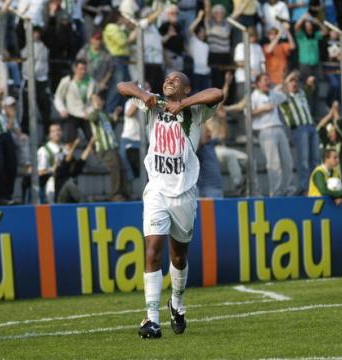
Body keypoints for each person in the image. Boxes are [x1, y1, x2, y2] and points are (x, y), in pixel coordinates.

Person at [118, 72, 223, 339]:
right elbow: (123, 86)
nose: (169, 81)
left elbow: (218, 92)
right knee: (152, 250)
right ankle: (151, 318)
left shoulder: (196, 111)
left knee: (178, 256)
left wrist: (183, 105)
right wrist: (143, 95)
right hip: (156, 191)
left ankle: (176, 302)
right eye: (166, 78)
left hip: (184, 194)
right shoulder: (153, 103)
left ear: (187, 89)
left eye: (176, 80)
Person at [225, 73, 295, 196]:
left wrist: (287, 79)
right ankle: (276, 192)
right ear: (258, 84)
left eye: (268, 79)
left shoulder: (273, 93)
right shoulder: (254, 96)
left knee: (288, 161)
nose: (267, 82)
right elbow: (248, 113)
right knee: (274, 163)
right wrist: (262, 109)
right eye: (264, 80)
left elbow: (285, 94)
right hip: (265, 130)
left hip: (279, 128)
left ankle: (287, 189)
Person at [279, 72, 320, 195]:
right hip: (299, 128)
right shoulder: (283, 97)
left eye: (295, 81)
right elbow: (280, 88)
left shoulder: (302, 93)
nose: (294, 83)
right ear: (286, 84)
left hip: (311, 126)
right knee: (303, 160)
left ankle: (317, 185)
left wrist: (310, 80)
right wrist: (288, 77)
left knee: (316, 159)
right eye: (291, 81)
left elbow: (310, 86)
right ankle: (304, 187)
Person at [89, 94, 128, 201]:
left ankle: (123, 192)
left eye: (99, 99)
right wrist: (96, 108)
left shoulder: (104, 114)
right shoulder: (93, 114)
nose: (98, 101)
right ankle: (115, 194)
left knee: (122, 168)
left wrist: (115, 115)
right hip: (104, 148)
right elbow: (93, 119)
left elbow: (109, 128)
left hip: (112, 147)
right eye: (95, 100)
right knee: (115, 167)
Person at [54, 60, 96, 143]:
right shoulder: (67, 81)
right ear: (75, 69)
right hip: (72, 113)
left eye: (84, 69)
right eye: (80, 69)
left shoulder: (91, 82)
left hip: (86, 114)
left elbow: (93, 99)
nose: (83, 71)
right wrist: (62, 109)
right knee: (71, 139)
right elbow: (58, 97)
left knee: (93, 139)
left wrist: (91, 111)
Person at [0, 95, 17, 205]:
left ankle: (8, 195)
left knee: (12, 165)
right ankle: (1, 197)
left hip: (5, 133)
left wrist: (10, 120)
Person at [54, 137, 95, 203]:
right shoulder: (60, 160)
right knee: (69, 183)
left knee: (71, 183)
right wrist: (74, 145)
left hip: (71, 198)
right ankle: (84, 202)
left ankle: (83, 202)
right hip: (60, 197)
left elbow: (82, 159)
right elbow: (66, 161)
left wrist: (91, 143)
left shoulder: (73, 162)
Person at [37, 123, 65, 203]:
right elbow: (40, 172)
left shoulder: (64, 149)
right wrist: (52, 170)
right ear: (49, 135)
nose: (57, 133)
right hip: (50, 184)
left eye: (58, 130)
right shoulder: (43, 150)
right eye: (53, 131)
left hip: (63, 181)